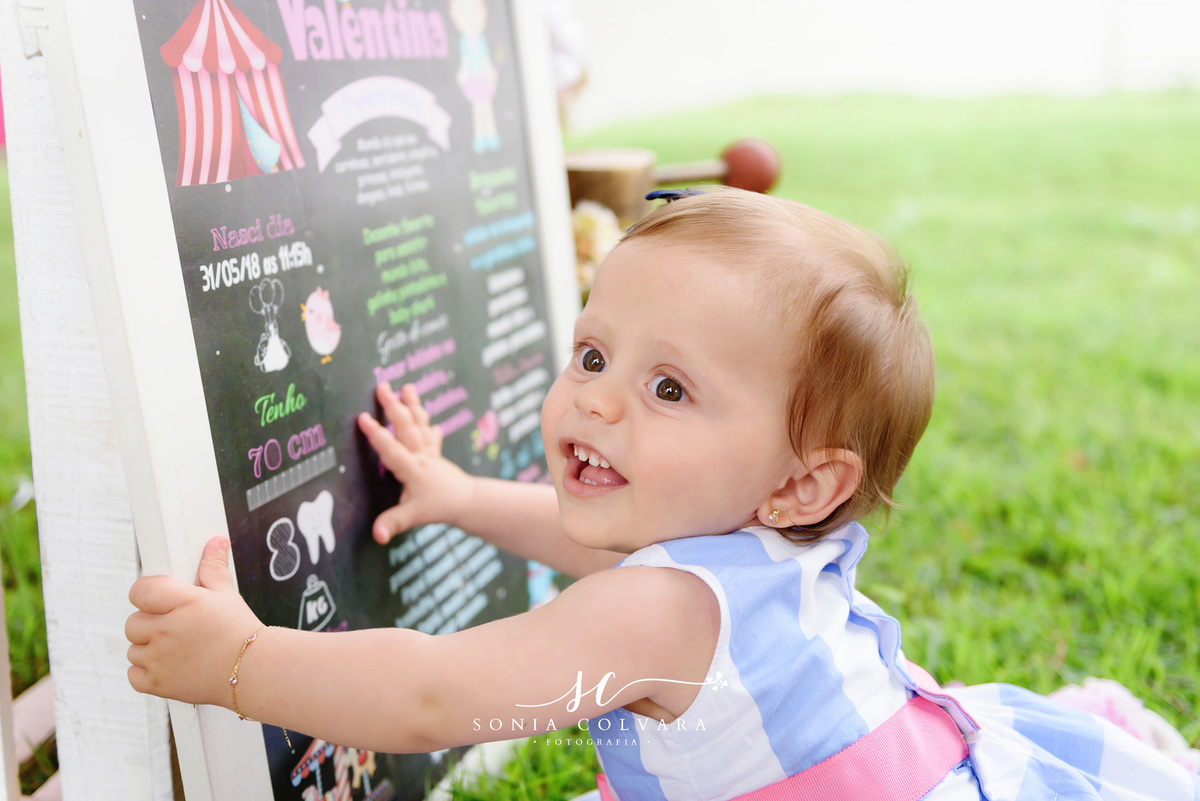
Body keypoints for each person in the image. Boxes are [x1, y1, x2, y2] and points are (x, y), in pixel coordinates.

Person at [126, 189, 1199, 800]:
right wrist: (458, 495)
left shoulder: (661, 615)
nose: (595, 403)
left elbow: (436, 696)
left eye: (671, 387)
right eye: (593, 354)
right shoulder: (713, 538)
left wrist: (237, 662)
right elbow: (581, 536)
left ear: (800, 481)